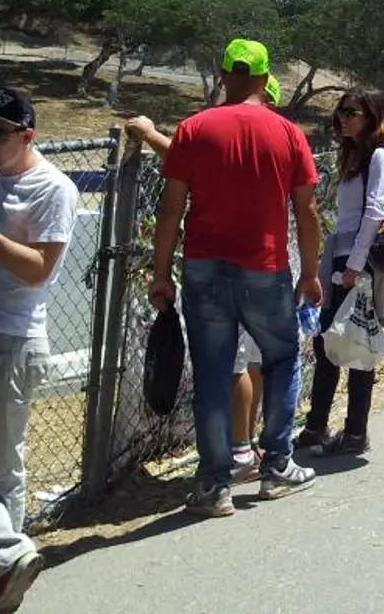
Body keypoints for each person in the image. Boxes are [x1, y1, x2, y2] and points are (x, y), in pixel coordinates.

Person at [150, 39, 322, 517]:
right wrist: (310, 272)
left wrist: (161, 273)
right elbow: (306, 211)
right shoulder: (288, 133)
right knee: (282, 358)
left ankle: (214, 485)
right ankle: (277, 467)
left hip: (203, 266)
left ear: (224, 75)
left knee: (211, 372)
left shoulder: (193, 129)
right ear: (266, 81)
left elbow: (170, 210)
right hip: (264, 266)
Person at [124, 72, 284, 480]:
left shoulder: (219, 136)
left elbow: (189, 165)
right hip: (263, 263)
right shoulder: (275, 141)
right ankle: (247, 445)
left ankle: (239, 453)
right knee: (253, 361)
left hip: (223, 265)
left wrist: (150, 133)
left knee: (228, 366)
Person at [0, 88, 78, 612]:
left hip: (8, 339)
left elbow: (39, 270)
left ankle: (2, 570)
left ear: (27, 136)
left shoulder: (52, 188)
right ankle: (1, 561)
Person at [296, 89, 384, 455]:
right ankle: (317, 425)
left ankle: (354, 431)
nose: (343, 118)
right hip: (342, 259)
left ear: (371, 117)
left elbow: (375, 212)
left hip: (359, 263)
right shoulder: (354, 156)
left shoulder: (379, 157)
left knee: (357, 343)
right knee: (329, 341)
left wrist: (354, 265)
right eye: (341, 111)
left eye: (352, 112)